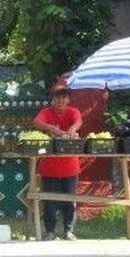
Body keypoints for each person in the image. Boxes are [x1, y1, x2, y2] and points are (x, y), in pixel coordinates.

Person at [32, 85, 83, 241]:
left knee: (70, 199)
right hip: (49, 165)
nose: (60, 100)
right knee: (50, 200)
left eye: (63, 97)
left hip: (70, 165)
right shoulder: (46, 112)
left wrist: (72, 130)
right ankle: (50, 231)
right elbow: (36, 122)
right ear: (52, 100)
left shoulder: (73, 111)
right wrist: (52, 128)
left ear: (68, 99)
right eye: (57, 97)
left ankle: (69, 231)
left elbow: (78, 121)